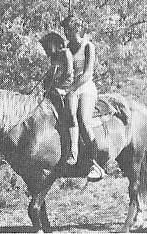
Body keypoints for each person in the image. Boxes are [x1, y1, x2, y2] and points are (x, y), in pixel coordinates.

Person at [39, 16, 105, 182]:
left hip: (85, 87)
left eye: (69, 29)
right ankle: (71, 155)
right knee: (65, 115)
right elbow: (62, 71)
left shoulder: (88, 46)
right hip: (69, 89)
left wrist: (70, 88)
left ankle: (94, 163)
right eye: (65, 30)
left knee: (83, 119)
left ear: (77, 28)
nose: (66, 33)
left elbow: (88, 73)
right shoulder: (65, 48)